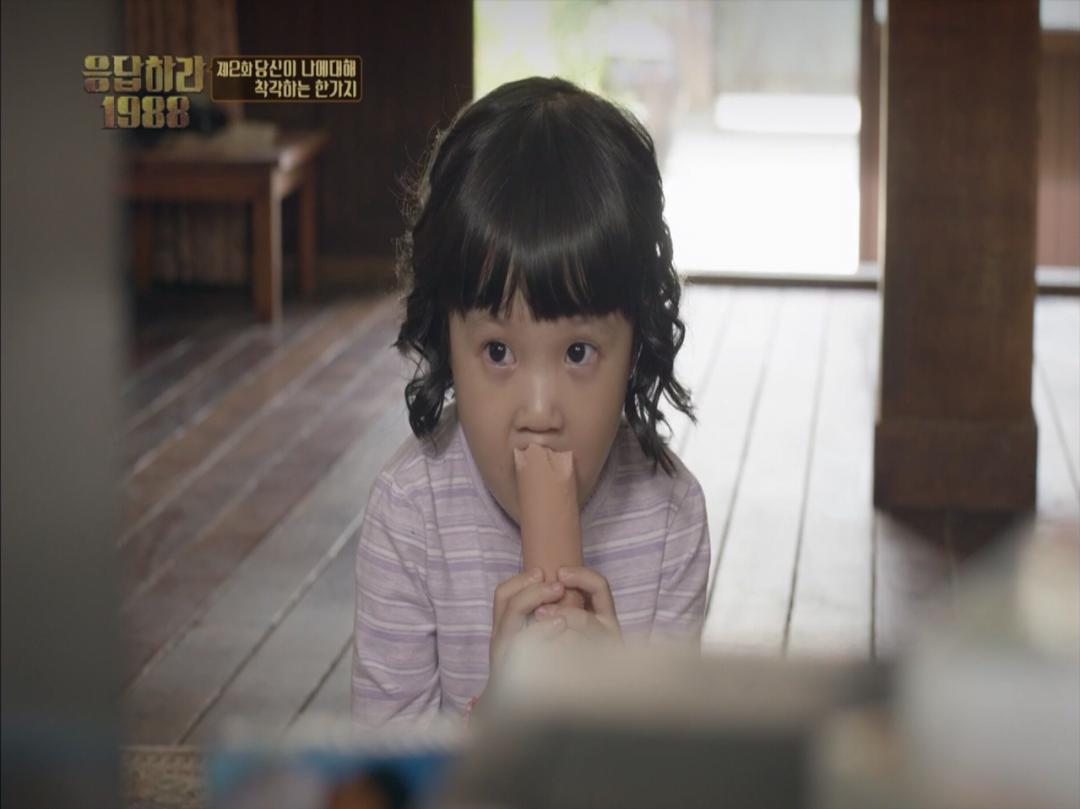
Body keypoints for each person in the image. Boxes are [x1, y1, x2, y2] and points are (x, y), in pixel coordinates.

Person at [352, 76, 710, 727]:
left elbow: (665, 769)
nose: (540, 412)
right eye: (498, 351)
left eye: (577, 352)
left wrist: (620, 701)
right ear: (446, 340)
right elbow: (386, 771)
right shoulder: (410, 515)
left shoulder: (670, 519)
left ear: (635, 346)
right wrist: (498, 718)